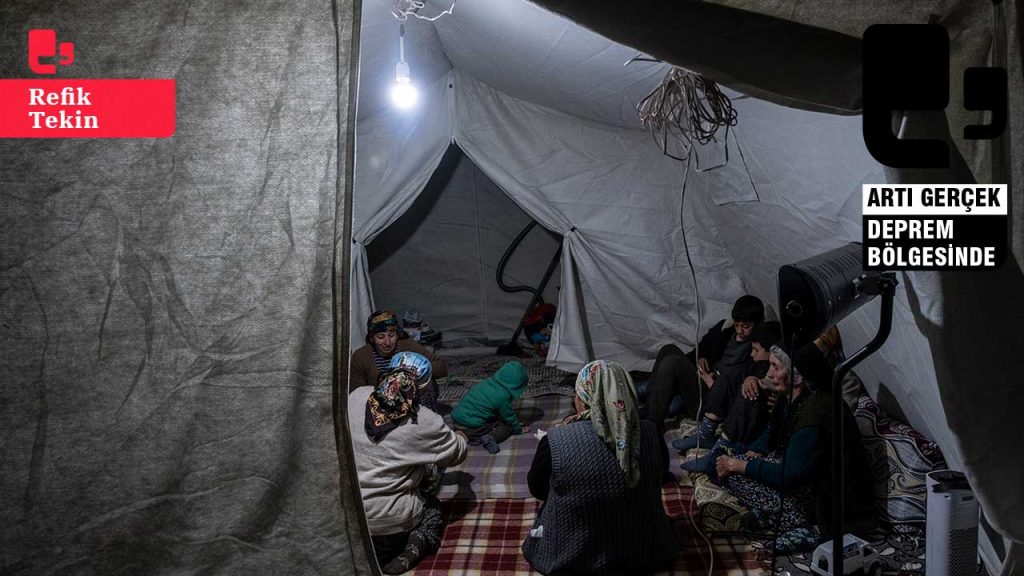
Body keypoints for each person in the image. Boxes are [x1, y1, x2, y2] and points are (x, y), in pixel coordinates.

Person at [710, 344, 873, 553]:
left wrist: (738, 465)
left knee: (735, 472)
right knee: (727, 465)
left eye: (775, 367)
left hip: (832, 502)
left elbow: (790, 473)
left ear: (798, 376)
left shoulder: (817, 412)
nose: (769, 373)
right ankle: (772, 513)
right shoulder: (790, 398)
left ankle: (804, 527)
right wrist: (757, 451)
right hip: (806, 477)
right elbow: (771, 431)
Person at [522, 360, 680, 575]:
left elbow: (538, 490)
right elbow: (660, 478)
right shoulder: (651, 432)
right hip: (642, 548)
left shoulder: (556, 440)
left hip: (574, 552)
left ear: (584, 397)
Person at [349, 368, 468, 574]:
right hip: (391, 527)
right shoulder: (424, 420)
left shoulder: (356, 397)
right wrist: (461, 437)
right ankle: (415, 545)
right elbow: (457, 454)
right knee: (432, 507)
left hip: (349, 520)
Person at [644, 295, 765, 430]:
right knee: (668, 350)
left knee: (672, 363)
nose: (740, 330)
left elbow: (740, 387)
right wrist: (702, 357)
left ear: (757, 323)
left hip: (714, 399)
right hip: (705, 380)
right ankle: (650, 407)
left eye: (746, 326)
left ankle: (653, 425)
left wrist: (714, 385)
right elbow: (704, 346)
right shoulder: (726, 331)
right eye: (737, 325)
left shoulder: (757, 348)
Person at [674, 321, 781, 467]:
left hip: (759, 424)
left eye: (756, 350)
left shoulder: (782, 371)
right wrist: (751, 378)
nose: (752, 354)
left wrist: (757, 383)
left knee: (750, 392)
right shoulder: (757, 364)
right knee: (731, 373)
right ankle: (706, 432)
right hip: (741, 409)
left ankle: (719, 451)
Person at [350, 310, 448, 392]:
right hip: (378, 404)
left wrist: (415, 372)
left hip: (411, 400)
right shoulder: (361, 357)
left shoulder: (406, 346)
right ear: (372, 338)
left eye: (391, 335)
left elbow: (441, 366)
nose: (387, 342)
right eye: (381, 337)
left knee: (429, 385)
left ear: (397, 335)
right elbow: (357, 393)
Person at [450, 361, 530, 454]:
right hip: (473, 427)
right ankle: (490, 438)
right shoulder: (503, 396)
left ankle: (462, 433)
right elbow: (509, 417)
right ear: (516, 386)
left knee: (490, 415)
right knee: (506, 426)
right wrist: (518, 429)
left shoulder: (487, 382)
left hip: (457, 421)